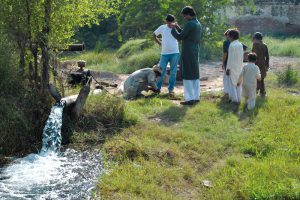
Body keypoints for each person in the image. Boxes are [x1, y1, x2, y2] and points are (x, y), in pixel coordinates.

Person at [171, 6, 201, 105]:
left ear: (188, 14)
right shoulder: (197, 23)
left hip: (188, 51)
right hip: (195, 50)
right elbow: (186, 34)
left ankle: (189, 99)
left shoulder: (189, 24)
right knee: (195, 73)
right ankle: (196, 97)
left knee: (187, 74)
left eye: (184, 16)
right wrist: (178, 28)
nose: (184, 18)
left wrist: (173, 29)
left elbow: (181, 36)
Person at [153, 14, 180, 97]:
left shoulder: (176, 27)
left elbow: (182, 34)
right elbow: (154, 34)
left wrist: (177, 27)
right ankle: (157, 88)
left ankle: (171, 90)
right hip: (164, 53)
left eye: (171, 22)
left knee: (173, 71)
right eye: (168, 22)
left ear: (173, 21)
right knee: (161, 71)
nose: (169, 24)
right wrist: (159, 43)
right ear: (166, 21)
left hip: (175, 52)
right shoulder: (162, 27)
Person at [226, 29, 244, 105]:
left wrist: (228, 68)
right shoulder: (240, 44)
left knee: (232, 84)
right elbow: (242, 57)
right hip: (239, 66)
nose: (228, 37)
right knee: (238, 83)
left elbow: (230, 58)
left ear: (232, 37)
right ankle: (239, 99)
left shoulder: (232, 45)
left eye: (228, 36)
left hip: (232, 67)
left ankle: (234, 100)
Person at [251, 32, 269, 97]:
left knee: (256, 78)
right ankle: (262, 92)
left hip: (256, 63)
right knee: (262, 78)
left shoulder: (255, 44)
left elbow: (253, 55)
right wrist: (267, 66)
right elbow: (267, 56)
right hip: (263, 64)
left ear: (255, 38)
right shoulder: (265, 45)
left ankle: (256, 91)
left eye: (253, 38)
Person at [222, 29, 231, 95]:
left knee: (226, 76)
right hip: (234, 61)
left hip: (227, 61)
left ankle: (227, 91)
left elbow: (225, 53)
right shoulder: (237, 42)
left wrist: (222, 62)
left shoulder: (226, 42)